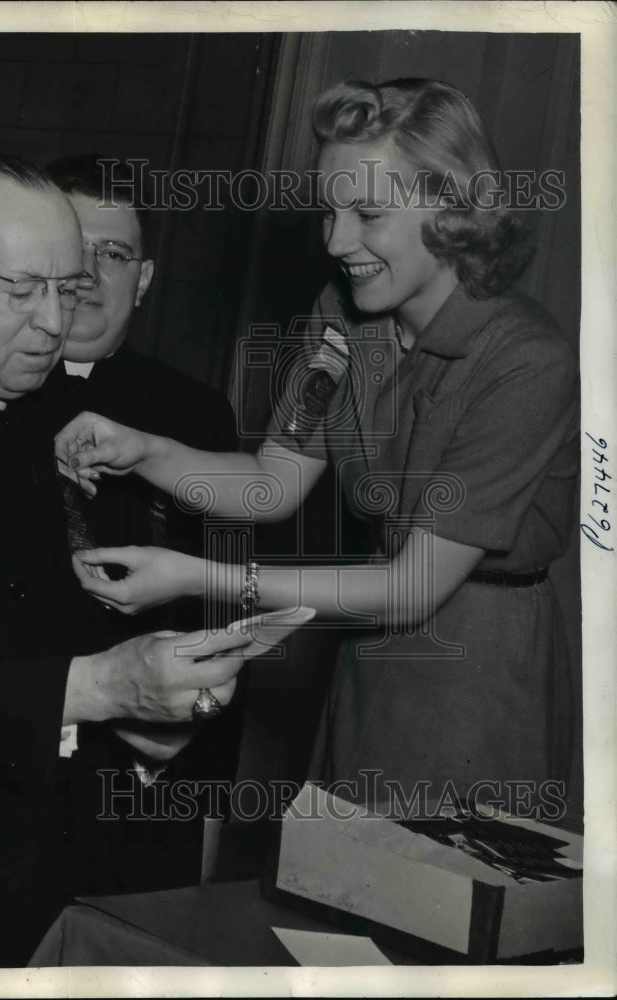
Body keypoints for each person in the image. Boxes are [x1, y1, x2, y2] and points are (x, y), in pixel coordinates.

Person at [55, 78, 579, 818]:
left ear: (451, 206)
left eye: (366, 213)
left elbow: (412, 588)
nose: (335, 242)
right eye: (328, 212)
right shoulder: (341, 314)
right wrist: (142, 449)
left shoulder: (527, 360)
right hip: (369, 654)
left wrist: (195, 575)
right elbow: (272, 480)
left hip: (481, 668)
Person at [0, 154, 251, 967]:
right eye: (20, 290)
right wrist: (105, 686)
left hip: (66, 863)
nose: (51, 325)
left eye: (65, 290)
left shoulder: (46, 409)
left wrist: (146, 722)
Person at [44, 153, 245, 891]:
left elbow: (229, 606)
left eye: (114, 255)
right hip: (10, 761)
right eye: (72, 252)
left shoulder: (195, 416)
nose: (90, 276)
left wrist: (195, 774)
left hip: (152, 773)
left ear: (146, 280)